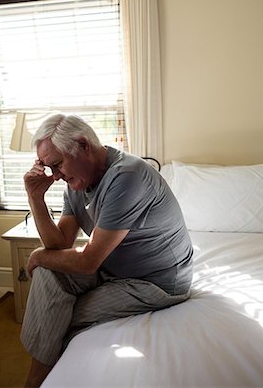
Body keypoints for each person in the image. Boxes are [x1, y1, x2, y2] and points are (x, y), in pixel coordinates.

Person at [21, 113, 193, 387]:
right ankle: (38, 377)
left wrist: (38, 255)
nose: (55, 176)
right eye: (47, 167)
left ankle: (35, 381)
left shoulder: (127, 176)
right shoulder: (75, 183)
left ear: (83, 145)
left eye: (57, 165)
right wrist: (35, 198)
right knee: (47, 273)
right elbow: (61, 244)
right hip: (112, 269)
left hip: (155, 282)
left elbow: (87, 261)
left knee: (58, 318)